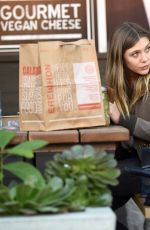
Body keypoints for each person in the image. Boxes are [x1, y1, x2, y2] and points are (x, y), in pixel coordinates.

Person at [105, 22, 150, 229]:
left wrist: (123, 119)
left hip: (146, 165)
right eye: (135, 53)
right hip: (137, 162)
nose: (145, 58)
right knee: (90, 197)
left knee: (95, 191)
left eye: (148, 49)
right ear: (120, 58)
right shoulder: (118, 88)